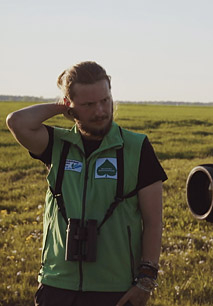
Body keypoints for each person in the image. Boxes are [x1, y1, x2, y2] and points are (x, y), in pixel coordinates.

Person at [5, 61, 167, 306]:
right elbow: (17, 122)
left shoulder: (136, 147)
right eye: (89, 104)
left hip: (115, 288)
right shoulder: (57, 145)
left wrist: (145, 281)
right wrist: (60, 107)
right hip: (57, 284)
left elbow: (154, 222)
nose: (101, 110)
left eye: (105, 100)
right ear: (70, 106)